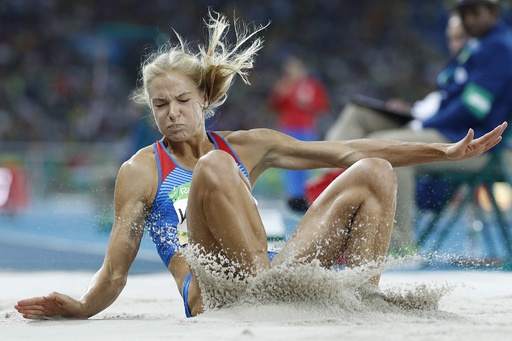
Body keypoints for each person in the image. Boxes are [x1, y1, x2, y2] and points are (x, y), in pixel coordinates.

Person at [14, 10, 507, 319]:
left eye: (182, 101)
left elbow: (349, 150)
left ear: (205, 100)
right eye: (159, 105)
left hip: (274, 272)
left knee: (374, 170)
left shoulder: (250, 145)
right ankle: (271, 295)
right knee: (214, 169)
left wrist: (440, 152)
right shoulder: (141, 170)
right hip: (217, 292)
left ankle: (359, 301)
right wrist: (80, 308)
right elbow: (115, 271)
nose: (172, 114)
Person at [324, 0, 512, 252]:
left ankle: (399, 246)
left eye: (474, 13)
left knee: (390, 149)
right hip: (454, 133)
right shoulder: (482, 45)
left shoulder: (498, 48)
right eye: (463, 14)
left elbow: (472, 108)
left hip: (475, 143)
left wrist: (422, 122)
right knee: (373, 133)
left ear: (493, 12)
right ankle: (327, 192)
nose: (469, 19)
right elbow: (454, 101)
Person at [268, 55, 330, 213]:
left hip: (306, 129)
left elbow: (322, 106)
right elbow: (274, 105)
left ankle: (307, 195)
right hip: (288, 128)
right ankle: (292, 197)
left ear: (303, 70)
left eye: (296, 68)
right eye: (290, 69)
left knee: (306, 162)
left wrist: (309, 105)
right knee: (288, 163)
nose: (294, 72)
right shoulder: (283, 85)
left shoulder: (312, 85)